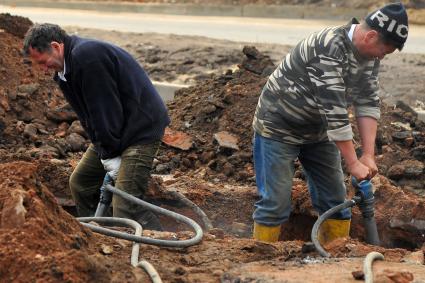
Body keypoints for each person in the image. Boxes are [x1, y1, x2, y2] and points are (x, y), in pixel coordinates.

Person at [252, 3, 408, 243]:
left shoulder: (368, 55)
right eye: (383, 51)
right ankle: (260, 261)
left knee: (336, 199)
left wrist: (368, 155)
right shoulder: (328, 47)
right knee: (275, 202)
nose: (381, 57)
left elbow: (367, 102)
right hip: (278, 127)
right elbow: (334, 113)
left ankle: (336, 257)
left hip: (318, 131)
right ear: (370, 35)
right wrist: (353, 163)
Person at [23, 23, 170, 230]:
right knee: (82, 183)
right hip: (118, 129)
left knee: (126, 205)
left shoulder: (87, 58)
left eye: (43, 62)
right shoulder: (65, 71)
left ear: (56, 47)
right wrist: (106, 151)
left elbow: (105, 111)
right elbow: (89, 116)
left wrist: (109, 153)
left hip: (140, 129)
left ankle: (159, 242)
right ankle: (102, 236)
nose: (44, 69)